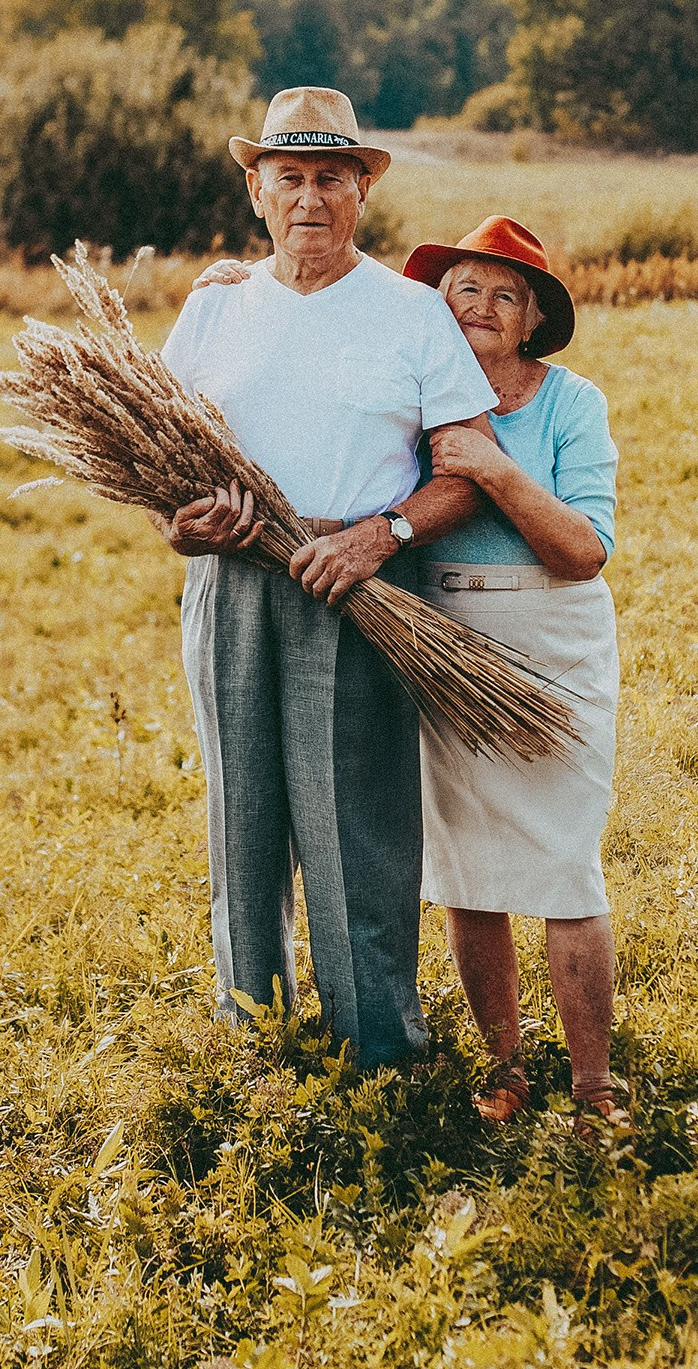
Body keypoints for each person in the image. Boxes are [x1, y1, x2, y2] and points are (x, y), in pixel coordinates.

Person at [157, 88, 497, 1070]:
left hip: (357, 589)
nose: (309, 198)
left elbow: (465, 468)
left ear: (361, 192)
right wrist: (180, 526)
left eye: (330, 179)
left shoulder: (408, 313)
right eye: (289, 178)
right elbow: (161, 462)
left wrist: (380, 536)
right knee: (242, 817)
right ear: (256, 191)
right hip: (232, 584)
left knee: (356, 822)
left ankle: (379, 1048)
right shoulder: (215, 308)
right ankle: (252, 1041)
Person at [402, 215, 626, 1133]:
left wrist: (492, 468)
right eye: (464, 290)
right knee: (470, 871)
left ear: (532, 318)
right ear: (437, 306)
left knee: (564, 864)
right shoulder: (412, 396)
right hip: (442, 633)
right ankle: (504, 1073)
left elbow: (582, 550)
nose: (481, 308)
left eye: (504, 295)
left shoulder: (572, 404)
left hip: (552, 633)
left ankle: (592, 1088)